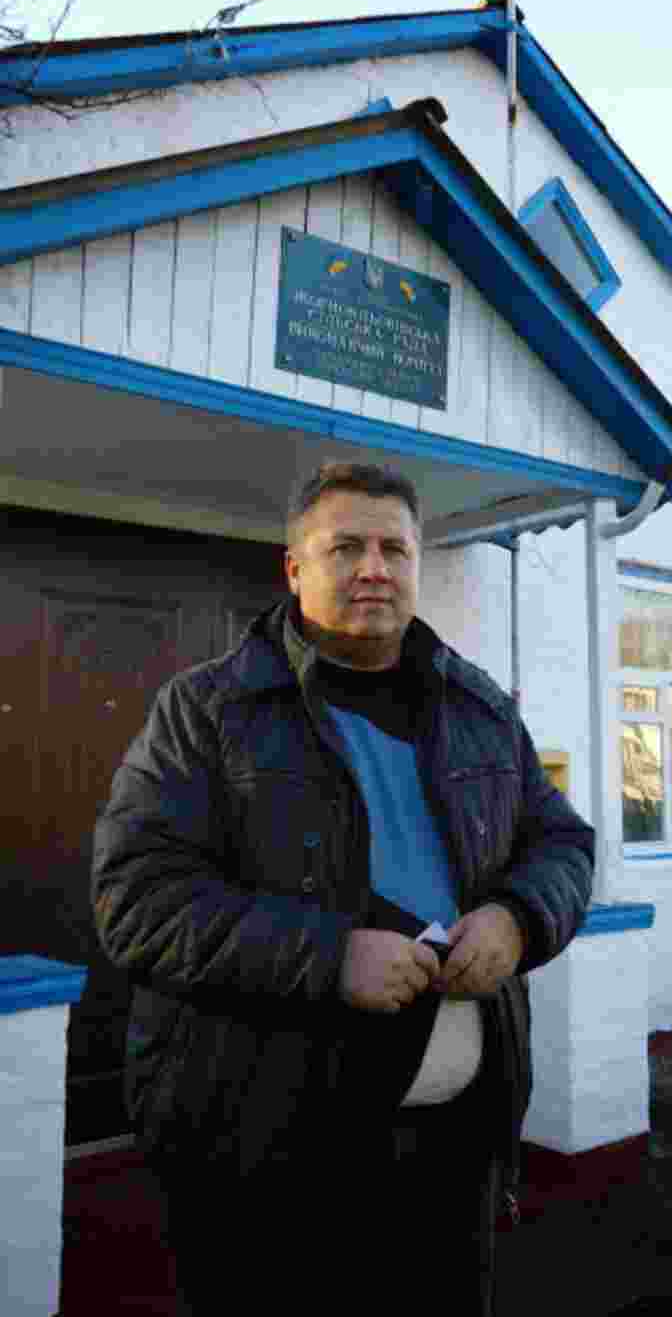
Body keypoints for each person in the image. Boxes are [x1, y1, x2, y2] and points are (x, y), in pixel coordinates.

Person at [92, 460, 595, 1317]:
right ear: (294, 568)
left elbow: (563, 843)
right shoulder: (206, 712)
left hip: (457, 1156)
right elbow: (136, 897)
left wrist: (517, 919)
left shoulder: (478, 708)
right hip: (265, 1160)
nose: (374, 568)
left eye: (395, 549)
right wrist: (329, 957)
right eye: (346, 547)